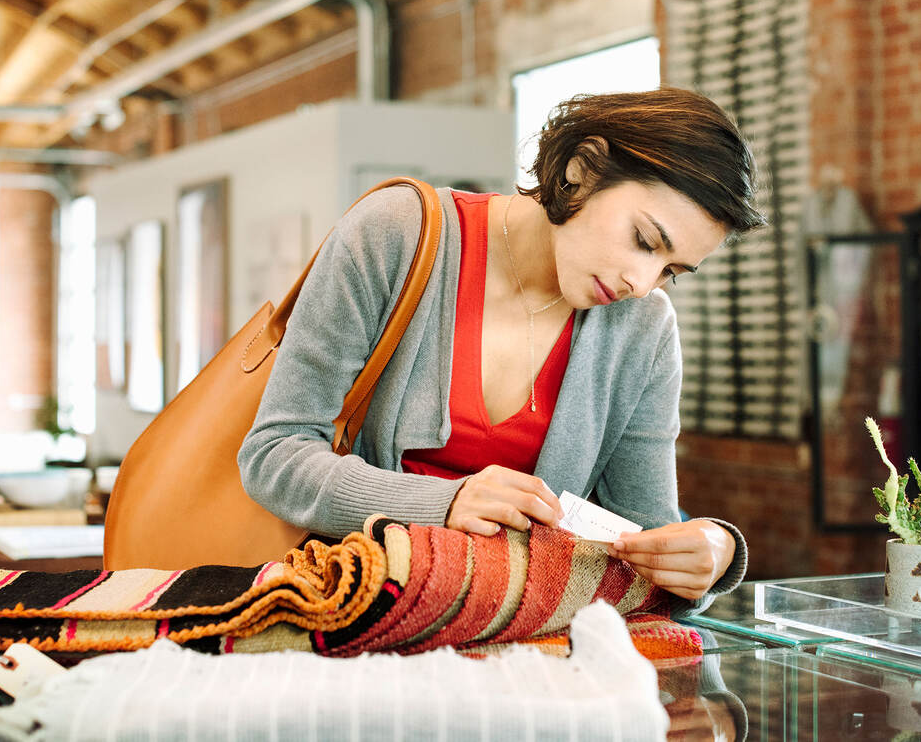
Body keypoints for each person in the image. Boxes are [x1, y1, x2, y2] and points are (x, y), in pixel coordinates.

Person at [241, 87, 767, 607]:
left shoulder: (644, 330)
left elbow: (644, 536)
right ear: (581, 169)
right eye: (645, 241)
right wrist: (444, 503)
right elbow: (274, 454)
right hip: (354, 614)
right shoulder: (393, 234)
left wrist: (715, 552)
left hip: (515, 641)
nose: (642, 281)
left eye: (670, 271)